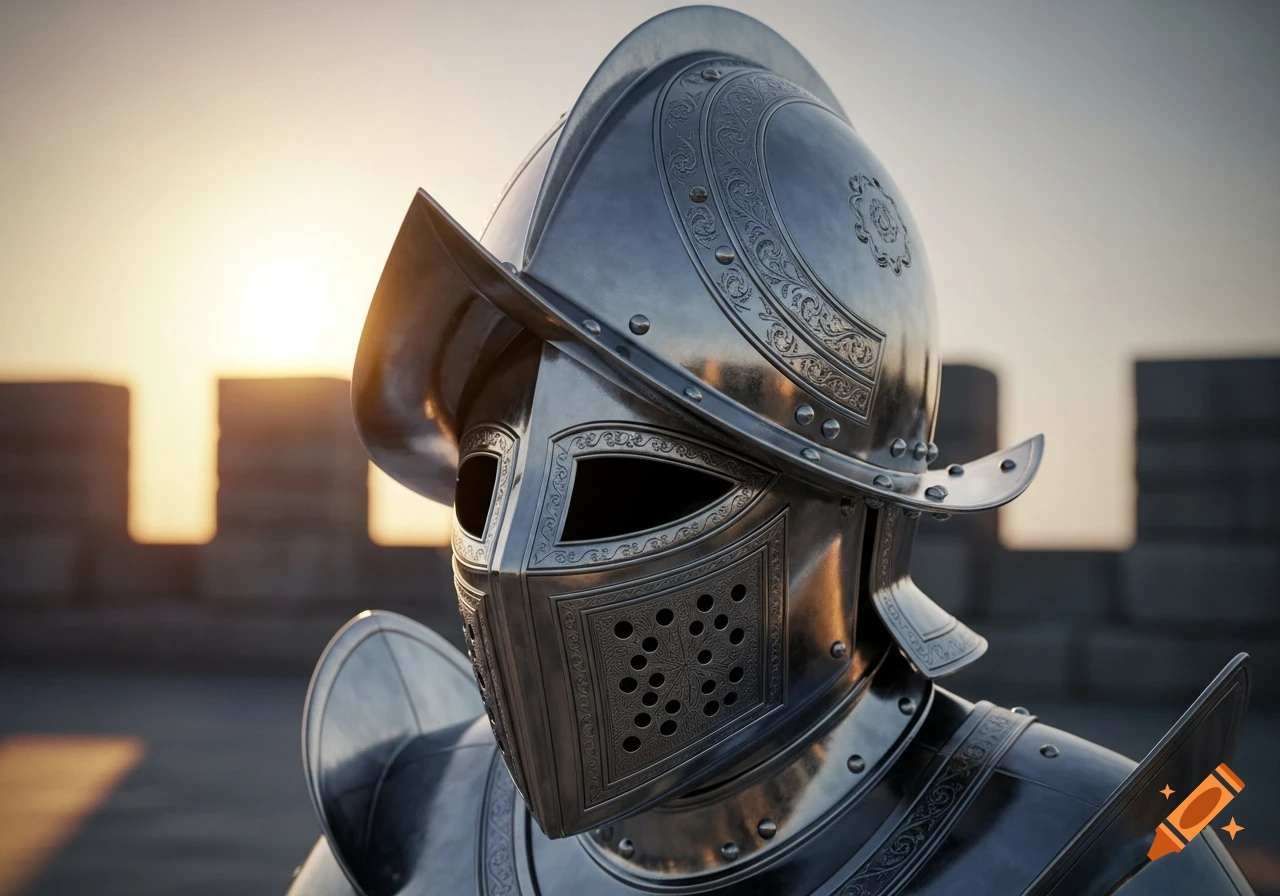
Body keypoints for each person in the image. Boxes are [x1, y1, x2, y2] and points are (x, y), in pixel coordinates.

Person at [287, 8, 1254, 894]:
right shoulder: (406, 839)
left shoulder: (1090, 861)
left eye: (630, 486)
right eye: (484, 483)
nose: (514, 560)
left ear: (851, 510)